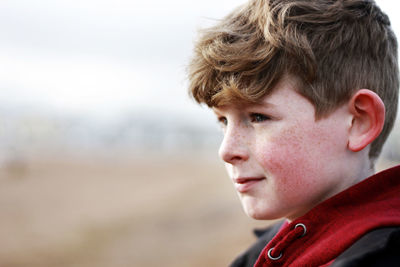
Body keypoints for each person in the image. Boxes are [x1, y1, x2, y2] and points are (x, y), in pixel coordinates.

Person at [187, 0, 400, 266]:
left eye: (258, 117)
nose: (226, 151)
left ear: (359, 122)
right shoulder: (272, 249)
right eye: (222, 121)